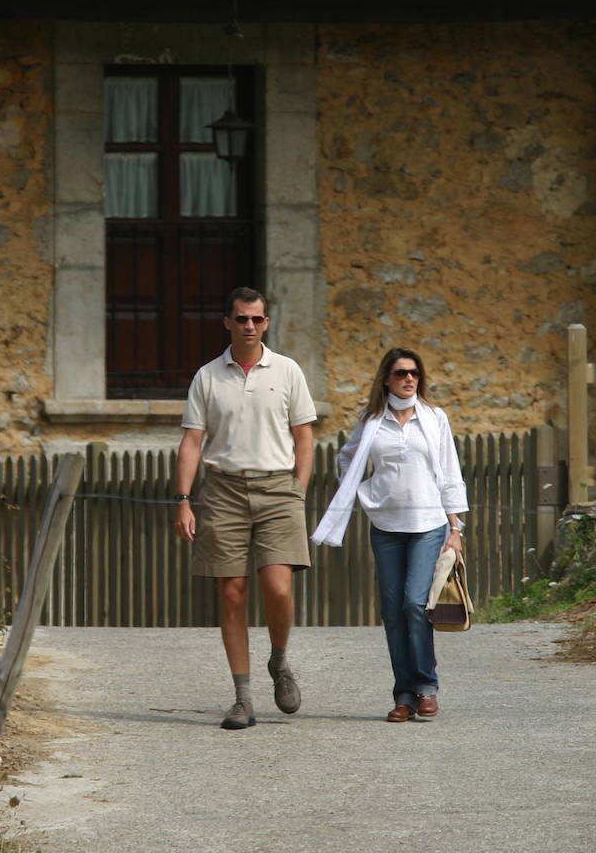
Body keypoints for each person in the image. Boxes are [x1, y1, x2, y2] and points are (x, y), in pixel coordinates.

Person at [174, 286, 317, 731]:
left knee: (278, 589)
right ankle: (242, 699)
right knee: (232, 593)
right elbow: (192, 442)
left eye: (257, 319)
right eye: (241, 319)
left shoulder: (288, 371)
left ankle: (279, 660)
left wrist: (298, 489)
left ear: (266, 323)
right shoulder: (207, 376)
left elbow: (305, 438)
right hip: (223, 492)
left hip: (279, 491)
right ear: (228, 323)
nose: (249, 326)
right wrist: (182, 500)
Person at [312, 348, 467, 722]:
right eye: (400, 373)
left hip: (428, 525)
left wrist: (456, 528)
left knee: (416, 604)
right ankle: (404, 695)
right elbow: (347, 460)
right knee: (393, 612)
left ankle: (427, 687)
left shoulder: (434, 418)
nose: (408, 379)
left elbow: (449, 471)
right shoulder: (371, 421)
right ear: (387, 378)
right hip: (385, 528)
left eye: (414, 373)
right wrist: (367, 491)